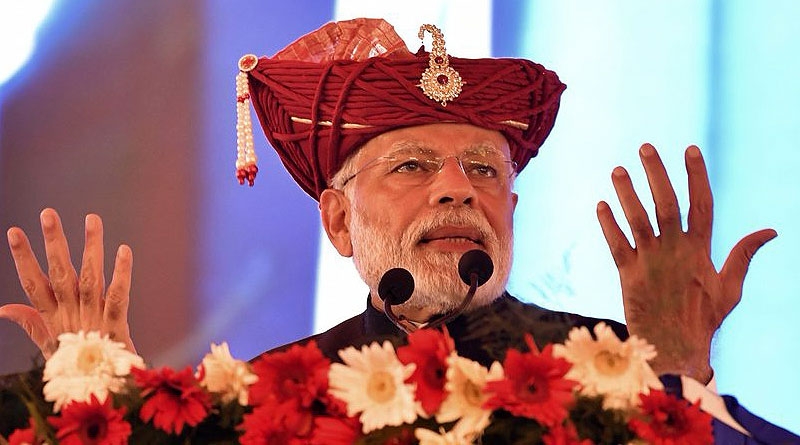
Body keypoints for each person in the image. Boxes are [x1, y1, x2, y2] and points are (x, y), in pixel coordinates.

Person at [0, 18, 782, 435]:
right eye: (412, 165)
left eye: (485, 171)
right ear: (339, 220)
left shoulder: (615, 366)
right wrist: (108, 409)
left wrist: (681, 378)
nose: (458, 190)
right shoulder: (271, 395)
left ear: (511, 212)